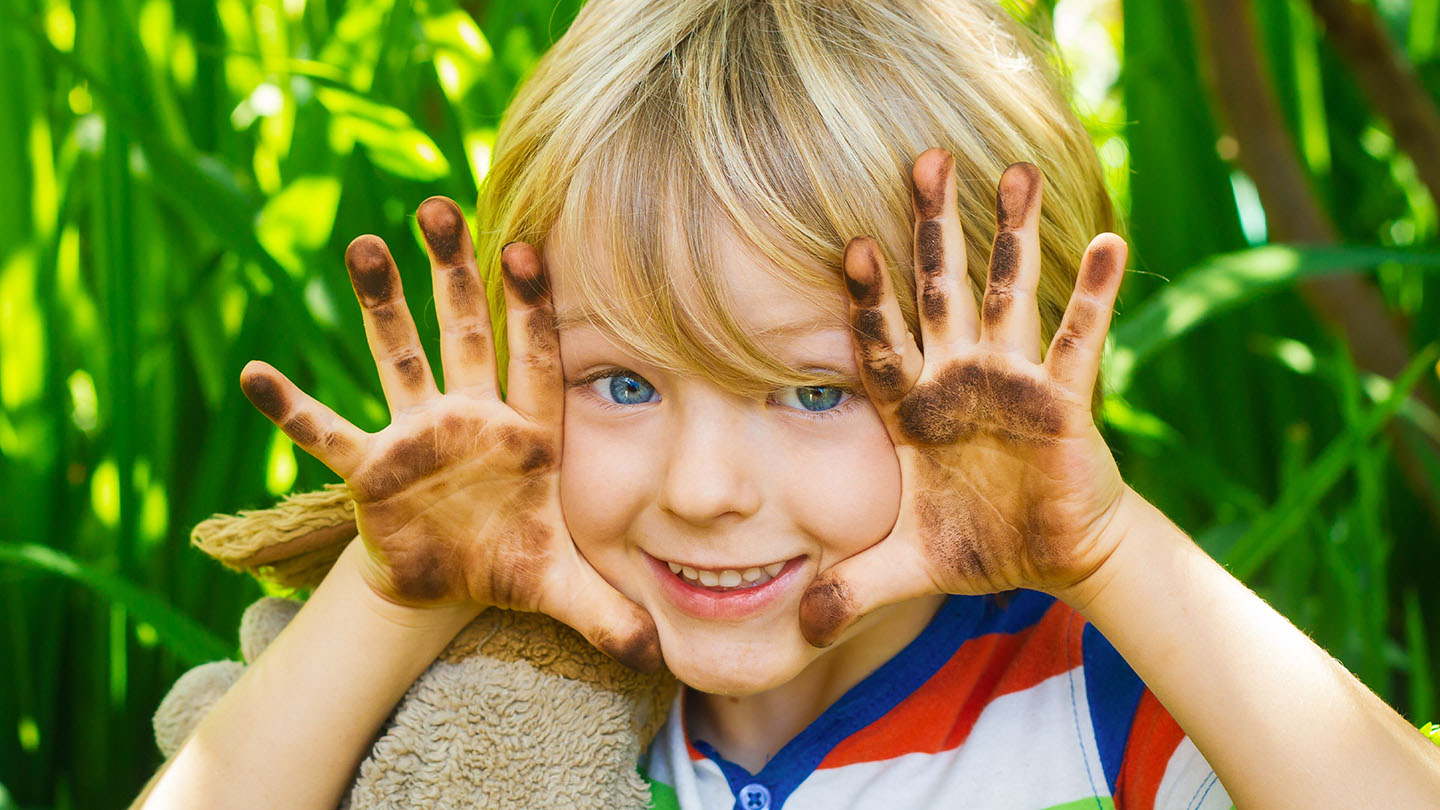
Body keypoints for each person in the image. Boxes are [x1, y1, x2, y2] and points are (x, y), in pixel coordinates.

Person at [133, 1, 1440, 808]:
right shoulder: (478, 709)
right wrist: (386, 598)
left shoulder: (1108, 706)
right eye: (623, 382)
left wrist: (1107, 551)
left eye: (818, 390)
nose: (704, 488)